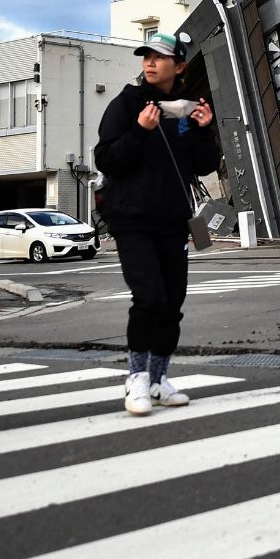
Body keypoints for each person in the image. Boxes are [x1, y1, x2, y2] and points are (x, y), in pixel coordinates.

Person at [94, 33, 219, 415]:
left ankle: (160, 378)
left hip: (173, 220)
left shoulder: (188, 108)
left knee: (172, 302)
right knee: (148, 297)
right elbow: (106, 158)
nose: (150, 63)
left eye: (159, 57)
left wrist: (202, 128)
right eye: (146, 56)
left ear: (179, 66)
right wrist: (139, 132)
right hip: (131, 219)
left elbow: (205, 164)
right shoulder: (127, 104)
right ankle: (136, 379)